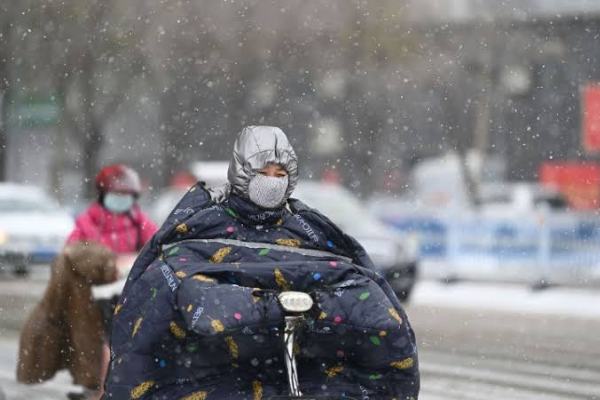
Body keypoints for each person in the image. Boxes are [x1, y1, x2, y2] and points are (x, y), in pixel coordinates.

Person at [103, 126, 420, 399]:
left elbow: (374, 306)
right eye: (262, 173)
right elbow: (151, 317)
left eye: (280, 175)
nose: (272, 182)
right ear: (241, 171)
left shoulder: (310, 230)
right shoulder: (201, 224)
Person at [66, 164, 158, 399]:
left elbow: (158, 249)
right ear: (102, 194)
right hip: (95, 292)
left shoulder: (141, 223)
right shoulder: (87, 223)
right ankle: (94, 383)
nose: (120, 200)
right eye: (116, 194)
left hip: (130, 291)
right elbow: (71, 254)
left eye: (125, 195)